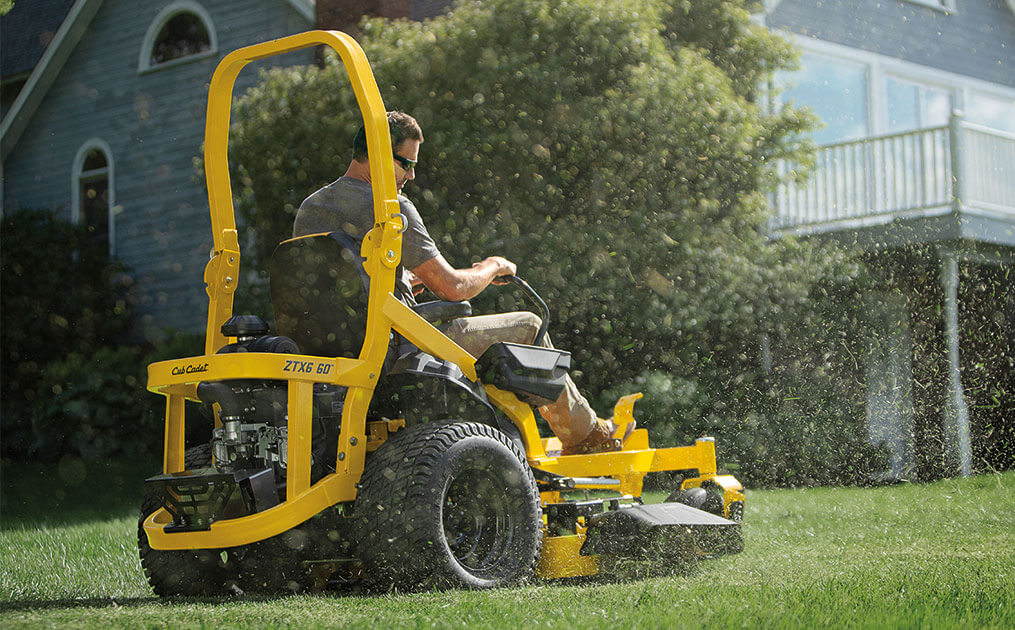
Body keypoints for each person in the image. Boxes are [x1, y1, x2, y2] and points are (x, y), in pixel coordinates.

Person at [293, 111, 634, 455]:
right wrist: (492, 266)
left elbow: (340, 282)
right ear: (379, 153)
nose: (411, 175)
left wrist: (401, 282)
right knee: (529, 326)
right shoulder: (390, 208)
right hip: (397, 349)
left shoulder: (311, 207)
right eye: (406, 164)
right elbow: (453, 288)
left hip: (334, 354)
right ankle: (585, 437)